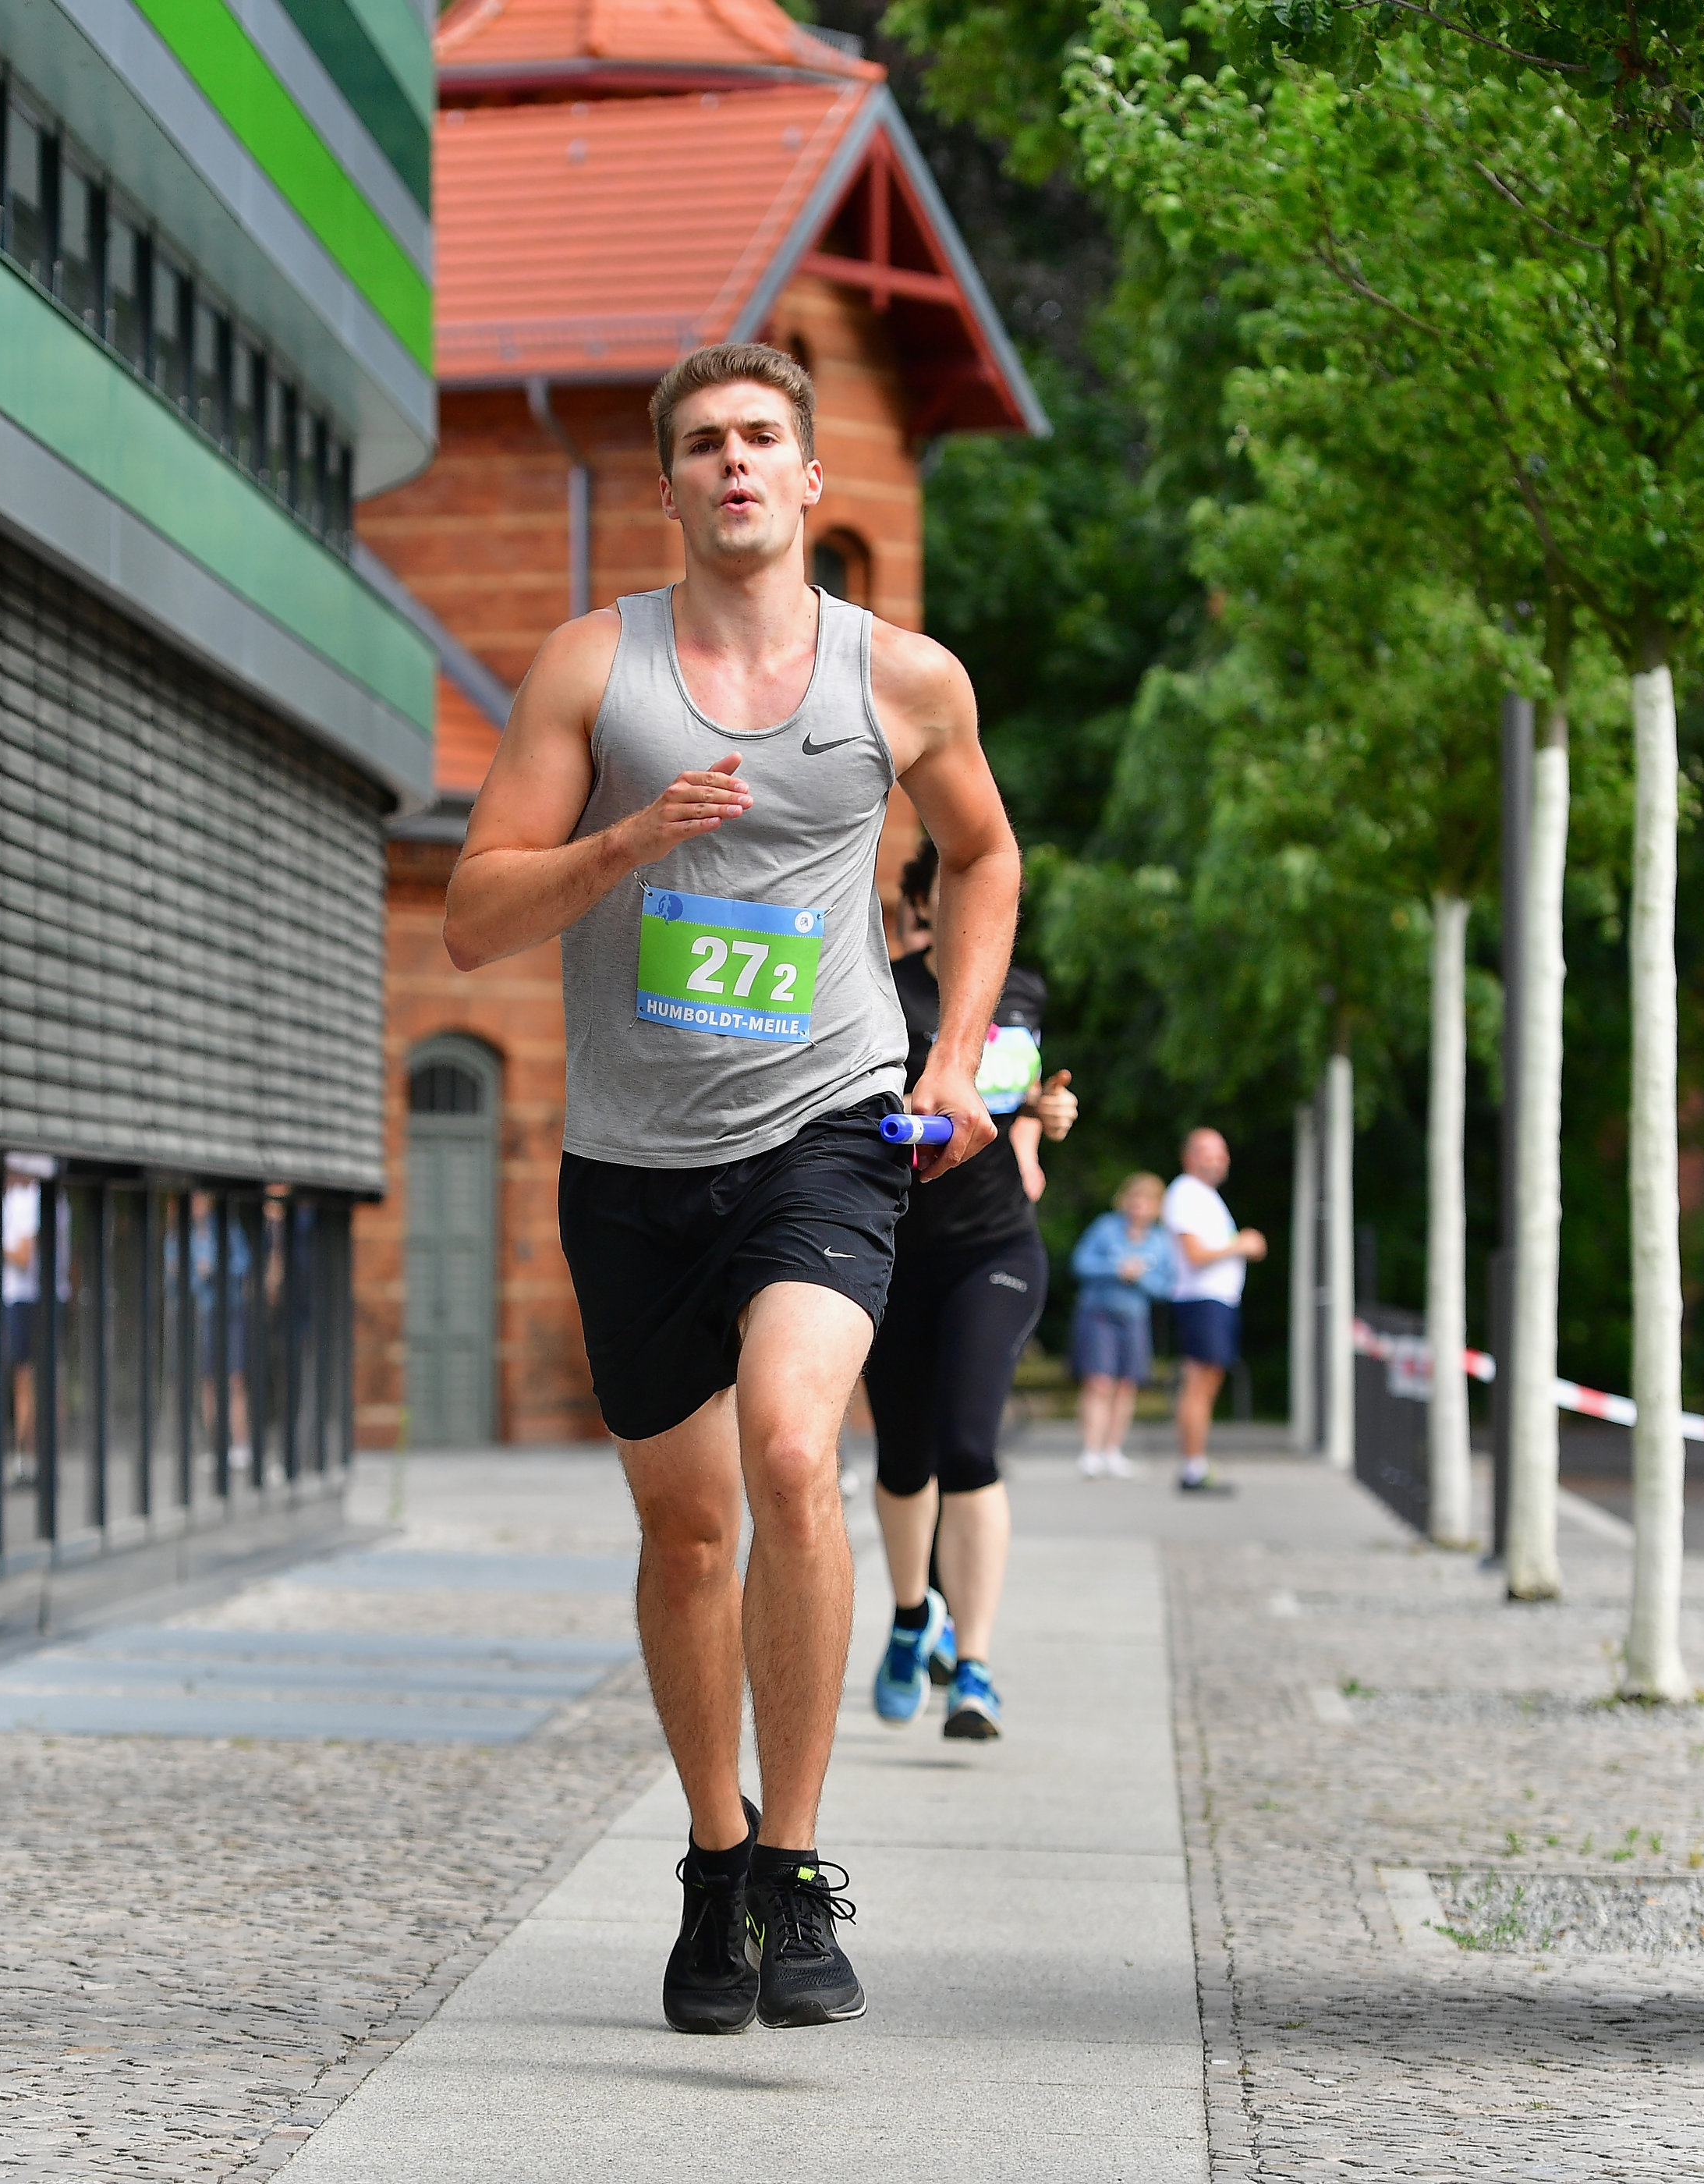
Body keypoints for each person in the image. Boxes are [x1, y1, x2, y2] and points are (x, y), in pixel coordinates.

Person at [445, 342, 1019, 2034]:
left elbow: (982, 852)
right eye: (705, 443)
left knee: (791, 1447)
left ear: (813, 477)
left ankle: (798, 1867)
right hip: (633, 1161)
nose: (736, 463)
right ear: (672, 485)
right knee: (687, 1527)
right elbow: (473, 913)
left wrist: (956, 1054)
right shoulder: (592, 672)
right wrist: (625, 841)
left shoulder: (901, 677)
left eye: (765, 437)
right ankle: (715, 1863)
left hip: (826, 1124)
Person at [863, 835, 1074, 1743]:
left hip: (995, 1246)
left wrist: (1042, 1126)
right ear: (923, 907)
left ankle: (976, 1665)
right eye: (947, 896)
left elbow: (1022, 1100)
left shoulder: (1018, 996)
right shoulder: (881, 987)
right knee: (906, 1459)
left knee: (969, 1446)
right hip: (897, 1249)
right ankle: (914, 1616)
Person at [1163, 1128, 1266, 1494]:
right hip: (1201, 1298)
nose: (1219, 1158)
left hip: (1215, 1300)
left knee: (1208, 1382)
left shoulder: (1205, 1197)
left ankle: (1197, 1462)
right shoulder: (1186, 1192)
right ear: (1189, 1156)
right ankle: (1192, 1467)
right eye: (1209, 1151)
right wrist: (1241, 1245)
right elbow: (1195, 1254)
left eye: (1222, 1151)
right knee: (1199, 1382)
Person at [1068, 1172, 1177, 1478]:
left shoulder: (1160, 1241)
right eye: (1135, 1200)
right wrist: (1116, 1269)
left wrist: (1140, 1276)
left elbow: (1166, 1287)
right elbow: (1080, 1264)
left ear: (1156, 1207)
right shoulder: (1105, 1227)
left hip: (1135, 1318)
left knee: (1126, 1387)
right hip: (1098, 1315)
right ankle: (1091, 1451)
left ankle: (1113, 1451)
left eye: (1146, 1202)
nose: (1138, 1207)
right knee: (1098, 1382)